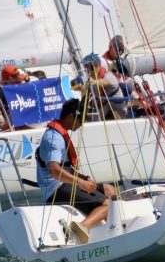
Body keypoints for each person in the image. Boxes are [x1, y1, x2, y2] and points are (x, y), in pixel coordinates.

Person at [36, 98, 114, 244]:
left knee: (110, 190)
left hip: (65, 184)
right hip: (56, 190)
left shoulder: (61, 134)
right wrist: (80, 183)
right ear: (71, 116)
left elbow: (65, 167)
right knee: (108, 204)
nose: (81, 125)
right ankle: (82, 227)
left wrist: (84, 178)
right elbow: (54, 170)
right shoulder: (54, 138)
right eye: (80, 121)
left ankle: (115, 225)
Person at [78, 53, 126, 120]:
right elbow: (88, 94)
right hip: (105, 108)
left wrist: (94, 82)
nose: (87, 70)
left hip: (116, 108)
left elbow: (105, 81)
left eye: (88, 67)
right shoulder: (92, 80)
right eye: (85, 67)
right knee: (87, 118)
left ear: (96, 66)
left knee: (114, 115)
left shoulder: (109, 75)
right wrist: (81, 88)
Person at [0, 64, 29, 129]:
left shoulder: (12, 84)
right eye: (17, 81)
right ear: (10, 79)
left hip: (10, 108)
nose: (18, 84)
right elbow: (5, 109)